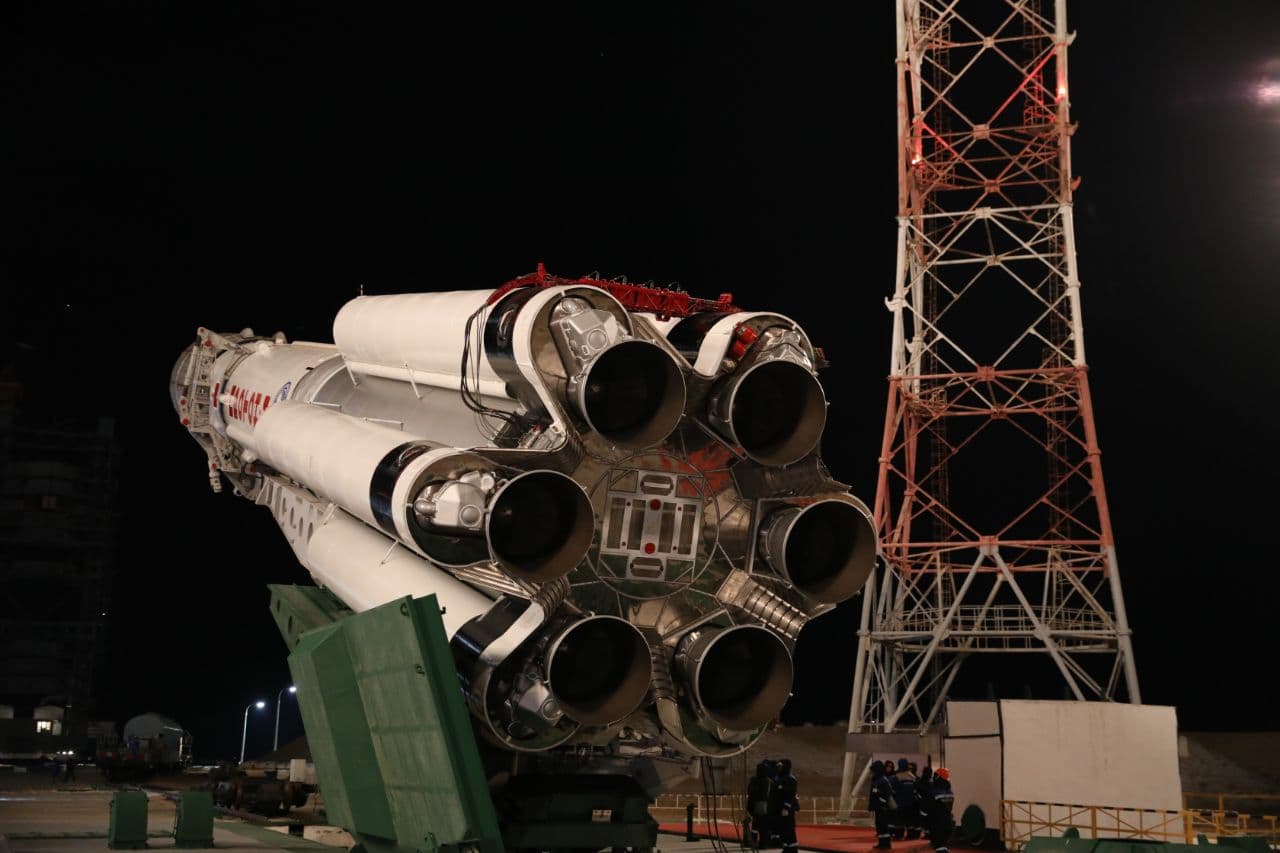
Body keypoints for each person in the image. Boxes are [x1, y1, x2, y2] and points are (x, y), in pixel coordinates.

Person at [922, 767, 955, 853]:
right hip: (948, 822)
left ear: (939, 777)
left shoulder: (933, 791)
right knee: (943, 846)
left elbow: (926, 808)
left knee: (939, 846)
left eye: (935, 775)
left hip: (937, 824)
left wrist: (924, 819)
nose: (933, 777)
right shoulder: (950, 792)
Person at [770, 759, 799, 853]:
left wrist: (786, 807)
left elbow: (790, 795)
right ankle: (786, 848)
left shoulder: (790, 779)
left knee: (789, 829)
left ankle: (793, 849)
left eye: (781, 767)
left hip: (786, 810)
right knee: (782, 830)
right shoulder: (779, 778)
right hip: (778, 809)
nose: (779, 768)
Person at [747, 761, 775, 848]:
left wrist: (750, 807)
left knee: (755, 826)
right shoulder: (769, 782)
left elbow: (750, 793)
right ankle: (763, 843)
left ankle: (753, 842)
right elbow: (773, 796)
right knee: (764, 827)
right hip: (766, 807)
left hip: (755, 806)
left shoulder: (754, 780)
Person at [869, 760, 896, 850]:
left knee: (883, 826)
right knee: (879, 825)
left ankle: (886, 844)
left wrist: (882, 799)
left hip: (882, 806)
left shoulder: (882, 779)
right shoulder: (877, 779)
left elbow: (888, 792)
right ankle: (882, 843)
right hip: (878, 806)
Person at [892, 758, 918, 840]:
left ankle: (899, 835)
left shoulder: (897, 776)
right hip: (911, 802)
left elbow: (894, 790)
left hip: (900, 801)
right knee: (910, 819)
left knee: (899, 819)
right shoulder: (912, 776)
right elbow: (915, 789)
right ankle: (911, 835)